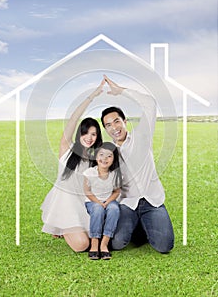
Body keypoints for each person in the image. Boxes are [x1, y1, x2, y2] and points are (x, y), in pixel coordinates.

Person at [101, 75, 174, 254]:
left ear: (125, 122)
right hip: (127, 204)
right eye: (108, 125)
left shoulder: (142, 136)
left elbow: (150, 103)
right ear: (106, 129)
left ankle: (144, 224)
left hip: (152, 201)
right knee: (117, 243)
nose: (114, 127)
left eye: (117, 121)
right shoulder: (106, 153)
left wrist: (121, 91)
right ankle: (138, 228)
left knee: (164, 246)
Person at [41, 79, 105, 252]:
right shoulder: (67, 150)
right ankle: (61, 226)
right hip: (66, 203)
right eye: (85, 132)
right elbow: (74, 118)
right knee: (81, 245)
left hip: (84, 204)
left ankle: (68, 230)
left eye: (93, 134)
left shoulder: (96, 159)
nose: (89, 137)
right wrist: (92, 96)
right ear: (79, 133)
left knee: (100, 240)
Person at [83, 142, 122, 260]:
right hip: (93, 201)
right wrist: (99, 203)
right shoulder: (90, 173)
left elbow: (116, 191)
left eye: (109, 156)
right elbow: (87, 192)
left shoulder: (114, 174)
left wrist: (108, 202)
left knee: (114, 209)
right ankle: (94, 242)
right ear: (96, 156)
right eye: (101, 154)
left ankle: (104, 243)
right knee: (97, 209)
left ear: (114, 159)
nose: (104, 158)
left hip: (109, 200)